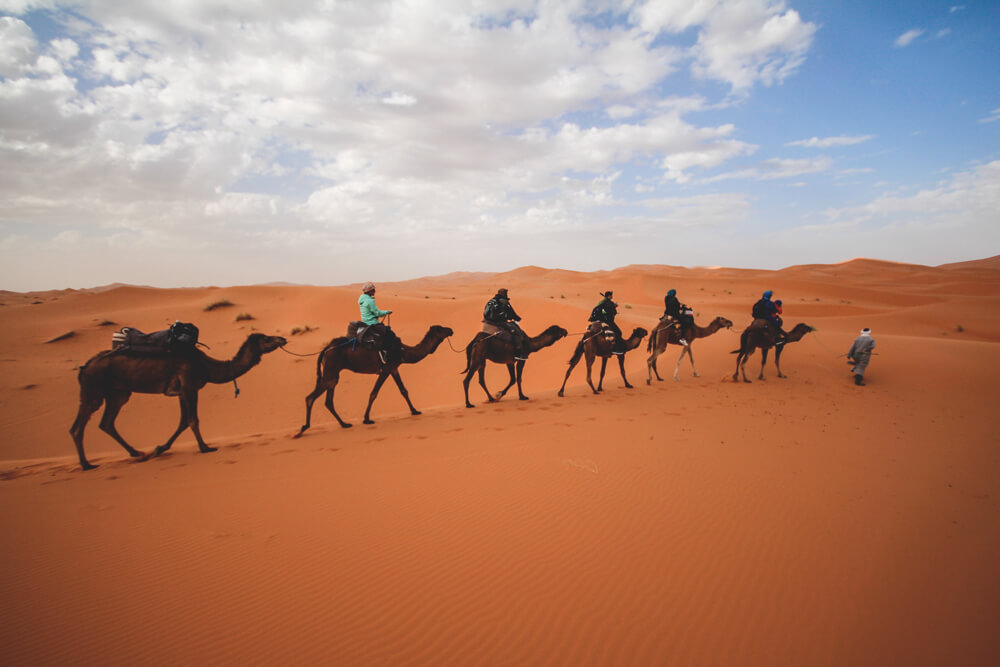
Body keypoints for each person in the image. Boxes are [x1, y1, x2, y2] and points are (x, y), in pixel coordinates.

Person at [358, 282, 400, 364]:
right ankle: (384, 353)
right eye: (373, 290)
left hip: (365, 323)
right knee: (390, 334)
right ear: (369, 291)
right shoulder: (370, 301)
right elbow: (377, 313)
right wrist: (386, 312)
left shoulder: (362, 299)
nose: (374, 291)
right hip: (372, 323)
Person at [483, 288, 528, 360]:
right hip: (499, 322)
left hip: (487, 322)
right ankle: (518, 353)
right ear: (504, 294)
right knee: (516, 332)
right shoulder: (504, 301)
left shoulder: (491, 301)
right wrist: (517, 318)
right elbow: (511, 312)